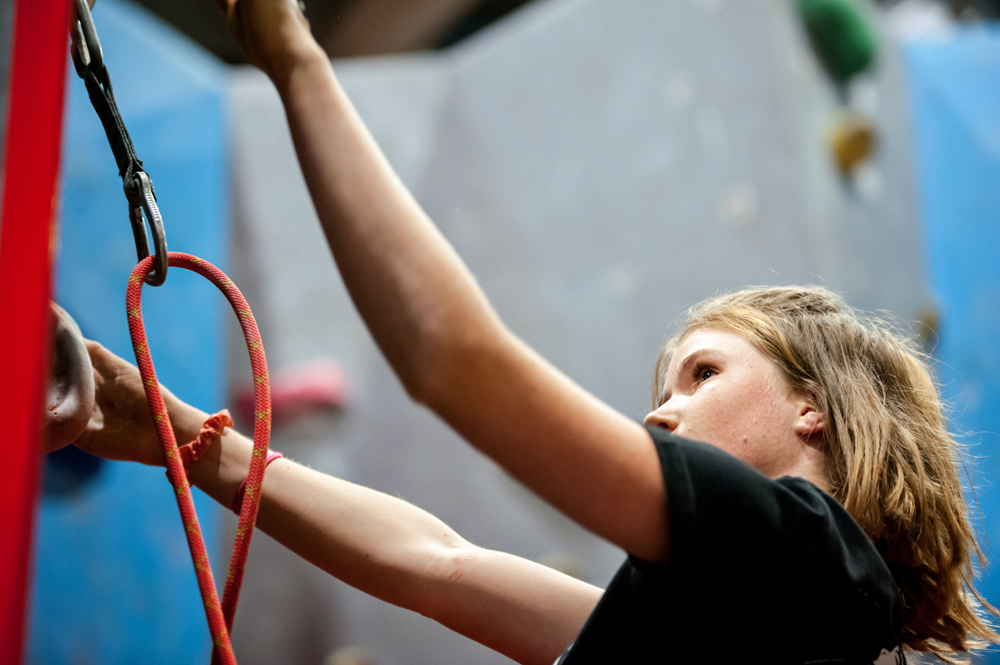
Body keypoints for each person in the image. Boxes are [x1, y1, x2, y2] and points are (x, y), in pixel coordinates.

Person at [72, 1, 999, 663]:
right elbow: (432, 562)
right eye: (665, 389)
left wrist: (298, 62)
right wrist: (182, 440)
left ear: (814, 407)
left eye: (702, 373)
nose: (662, 414)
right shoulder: (725, 606)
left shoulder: (811, 559)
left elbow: (454, 360)